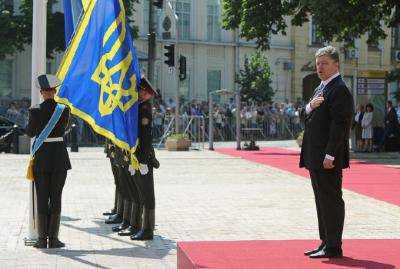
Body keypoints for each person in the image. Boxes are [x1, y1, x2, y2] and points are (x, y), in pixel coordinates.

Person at [299, 46, 354, 259]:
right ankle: (325, 242)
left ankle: (333, 246)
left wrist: (331, 154)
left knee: (330, 200)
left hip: (326, 157)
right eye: (318, 63)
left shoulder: (338, 89)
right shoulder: (321, 87)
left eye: (324, 63)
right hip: (315, 155)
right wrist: (309, 106)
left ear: (336, 64)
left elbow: (341, 125)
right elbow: (305, 115)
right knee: (321, 200)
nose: (319, 67)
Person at [25, 74, 72, 248]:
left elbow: (30, 132)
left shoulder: (35, 110)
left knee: (42, 198)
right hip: (59, 157)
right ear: (55, 91)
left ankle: (40, 239)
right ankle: (53, 239)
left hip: (42, 158)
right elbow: (64, 128)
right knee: (56, 197)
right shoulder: (64, 109)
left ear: (42, 93)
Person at [130, 76, 159, 241]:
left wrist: (142, 159)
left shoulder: (145, 109)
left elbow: (146, 137)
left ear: (146, 92)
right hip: (139, 155)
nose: (139, 92)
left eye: (141, 90)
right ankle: (144, 227)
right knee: (142, 192)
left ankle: (148, 229)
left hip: (143, 157)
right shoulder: (140, 107)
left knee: (147, 194)